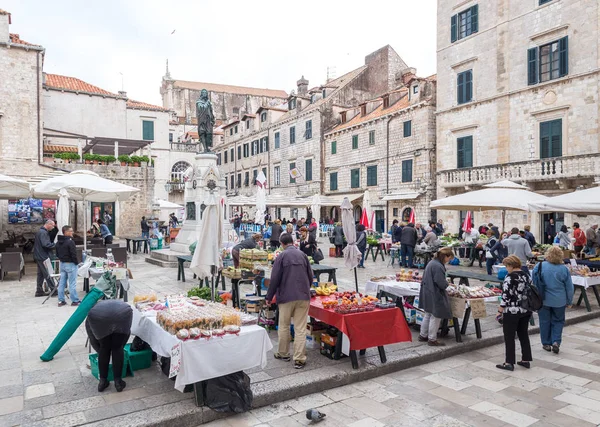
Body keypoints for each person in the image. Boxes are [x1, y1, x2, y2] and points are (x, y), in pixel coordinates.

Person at [266, 233, 312, 369]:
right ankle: (299, 359)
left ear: (282, 244)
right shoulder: (302, 255)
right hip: (303, 296)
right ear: (292, 242)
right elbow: (310, 276)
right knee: (300, 328)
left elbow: (274, 279)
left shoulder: (281, 256)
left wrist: (269, 297)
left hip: (286, 297)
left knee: (284, 325)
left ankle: (283, 353)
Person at [533, 246, 574, 354]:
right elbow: (569, 288)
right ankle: (556, 341)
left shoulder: (540, 265)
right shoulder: (564, 269)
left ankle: (546, 343)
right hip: (559, 300)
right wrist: (569, 301)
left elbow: (534, 280)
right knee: (558, 321)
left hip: (543, 299)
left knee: (544, 321)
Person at [85, 300, 133, 392]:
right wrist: (118, 347)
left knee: (104, 347)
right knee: (117, 347)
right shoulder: (91, 316)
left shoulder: (91, 317)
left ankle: (102, 382)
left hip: (108, 316)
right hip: (123, 314)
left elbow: (93, 340)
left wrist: (102, 349)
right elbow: (126, 334)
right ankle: (118, 382)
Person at [496, 255, 533, 371]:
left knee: (509, 336)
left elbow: (506, 296)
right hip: (525, 309)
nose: (506, 268)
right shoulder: (526, 275)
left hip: (512, 311)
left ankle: (509, 362)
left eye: (506, 266)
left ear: (511, 266)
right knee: (523, 334)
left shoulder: (510, 277)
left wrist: (500, 311)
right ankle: (526, 359)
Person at [418, 247, 455, 347]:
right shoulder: (438, 266)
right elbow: (440, 282)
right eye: (449, 258)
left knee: (428, 313)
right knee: (436, 316)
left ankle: (423, 335)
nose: (449, 260)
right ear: (445, 256)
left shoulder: (432, 262)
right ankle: (432, 339)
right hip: (434, 292)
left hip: (428, 290)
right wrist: (448, 286)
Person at [56, 225, 80, 307]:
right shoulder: (70, 242)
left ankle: (61, 300)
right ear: (66, 232)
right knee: (72, 283)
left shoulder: (58, 242)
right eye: (71, 231)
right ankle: (75, 300)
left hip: (62, 264)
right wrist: (76, 262)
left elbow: (57, 254)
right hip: (70, 264)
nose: (72, 232)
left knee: (62, 283)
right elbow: (73, 254)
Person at [33, 220, 57, 297]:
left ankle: (39, 291)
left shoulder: (40, 231)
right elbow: (45, 244)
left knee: (40, 274)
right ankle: (53, 290)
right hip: (43, 256)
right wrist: (55, 245)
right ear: (48, 224)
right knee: (48, 273)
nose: (53, 228)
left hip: (39, 255)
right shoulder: (43, 233)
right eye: (52, 226)